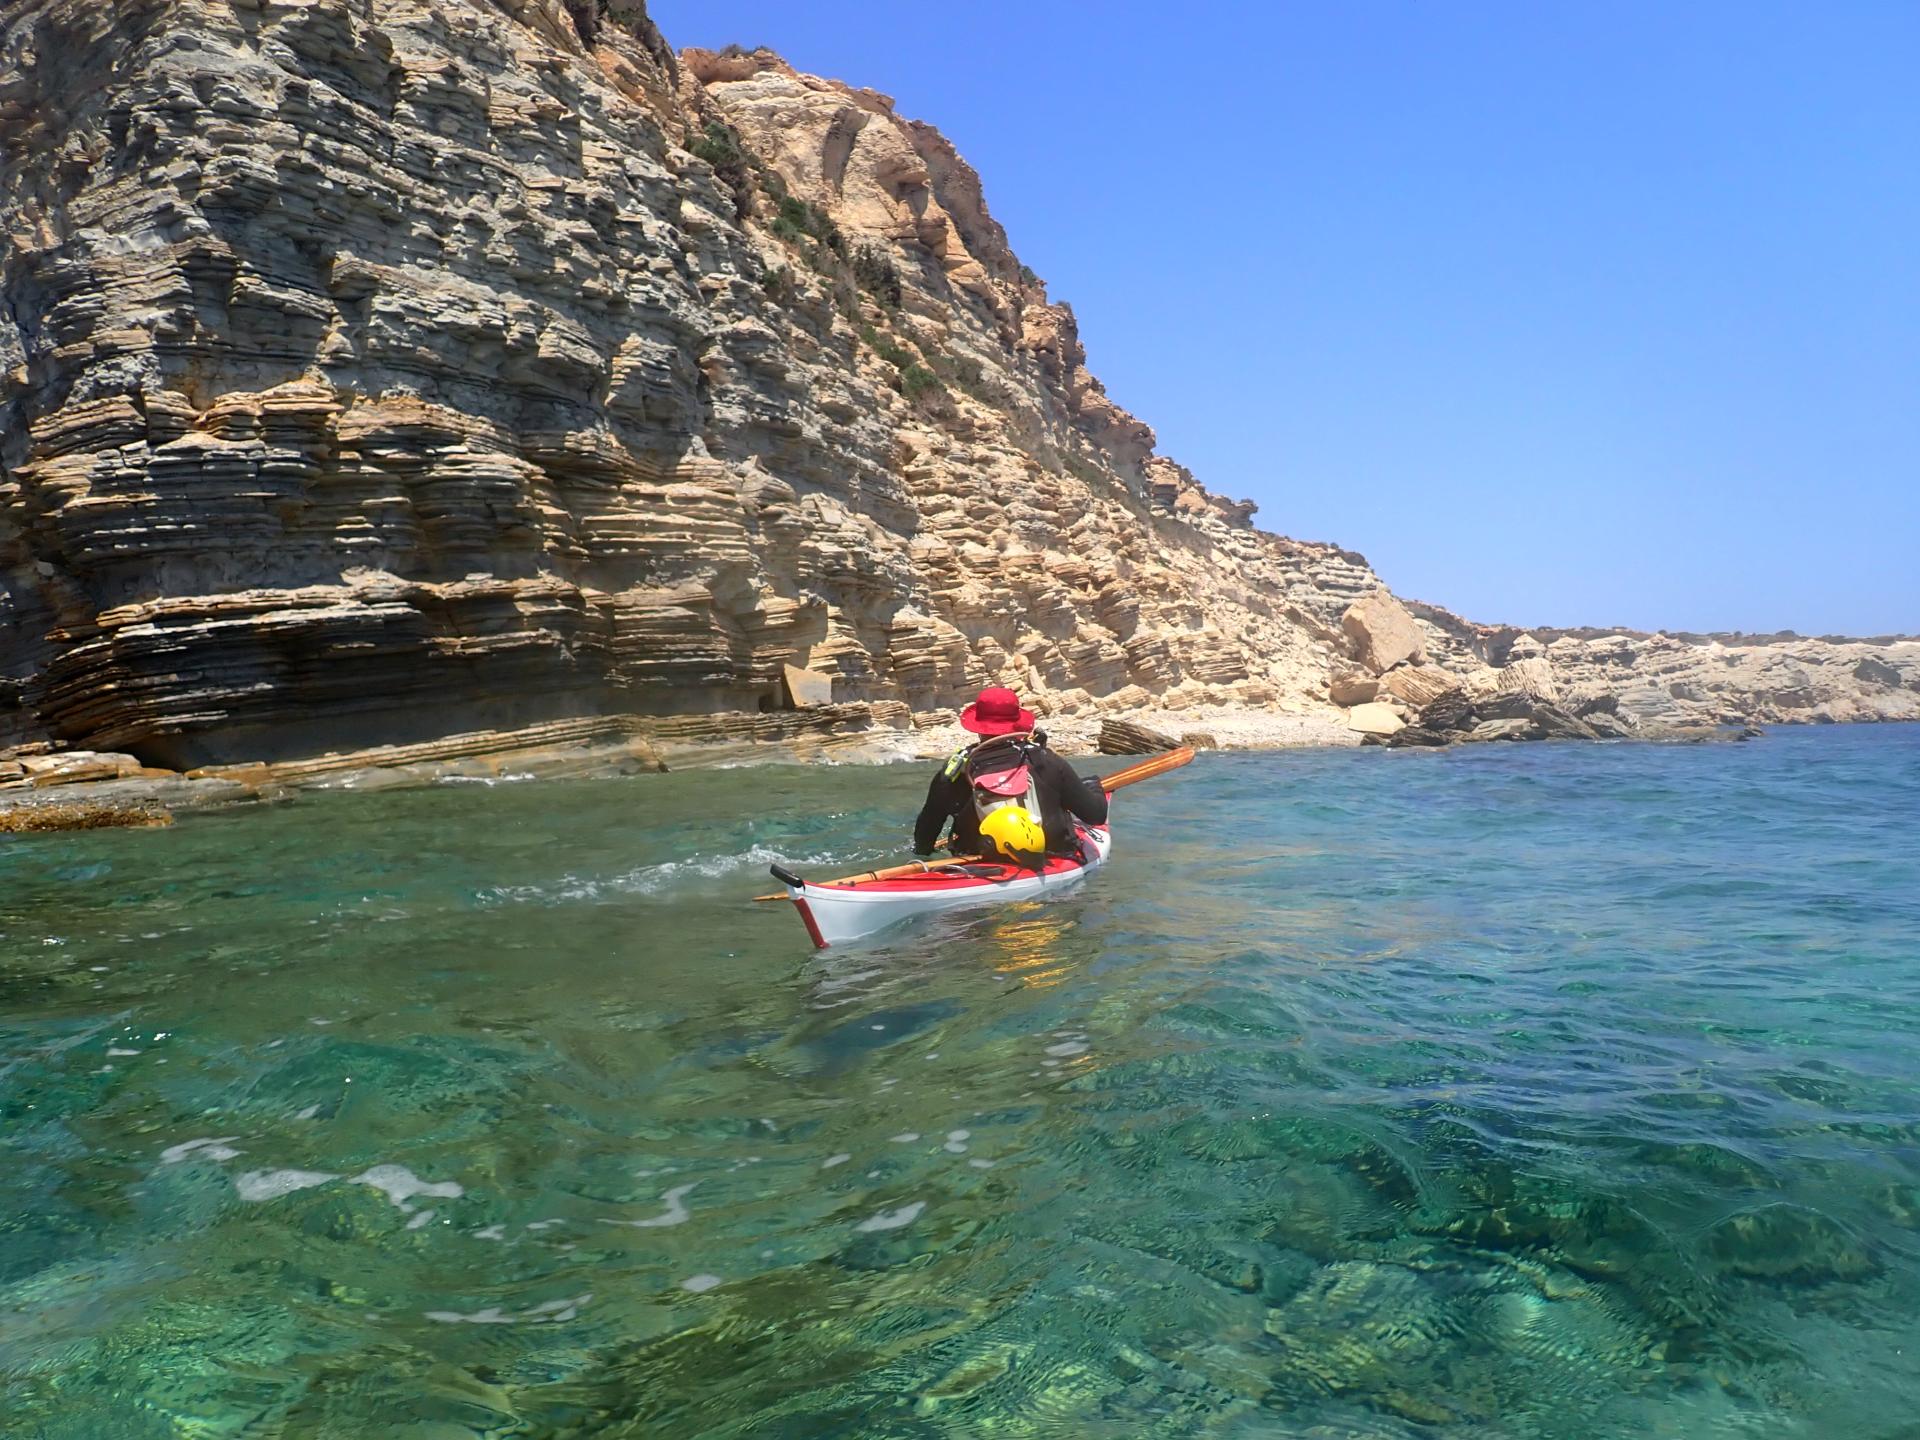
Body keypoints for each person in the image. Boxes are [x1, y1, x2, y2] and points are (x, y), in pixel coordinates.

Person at [913, 686, 1109, 861]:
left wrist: (926, 857)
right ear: (1017, 722)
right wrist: (1095, 787)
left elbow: (925, 832)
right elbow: (1095, 816)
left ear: (978, 725)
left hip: (980, 860)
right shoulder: (1046, 760)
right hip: (1051, 856)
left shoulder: (956, 769)